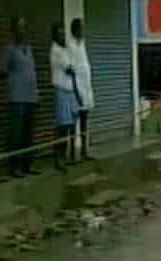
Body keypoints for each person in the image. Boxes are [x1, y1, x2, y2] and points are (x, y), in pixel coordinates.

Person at [0, 16, 39, 178]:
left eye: (24, 27)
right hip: (16, 98)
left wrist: (37, 92)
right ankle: (13, 167)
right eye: (19, 27)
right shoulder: (9, 49)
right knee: (16, 134)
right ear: (13, 30)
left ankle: (27, 165)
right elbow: (1, 71)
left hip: (30, 97)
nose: (22, 30)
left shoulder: (28, 48)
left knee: (28, 133)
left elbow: (33, 71)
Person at [50, 23, 79, 171]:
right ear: (54, 36)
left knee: (71, 125)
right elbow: (70, 69)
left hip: (70, 91)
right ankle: (58, 158)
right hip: (61, 91)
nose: (63, 36)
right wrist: (72, 64)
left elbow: (75, 65)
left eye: (63, 33)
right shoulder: (55, 51)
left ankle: (68, 155)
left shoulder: (65, 50)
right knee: (61, 126)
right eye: (59, 34)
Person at [69, 18, 95, 161]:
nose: (83, 31)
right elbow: (72, 70)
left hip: (86, 88)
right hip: (77, 89)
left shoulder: (82, 44)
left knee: (85, 121)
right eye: (81, 29)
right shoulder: (71, 46)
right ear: (75, 30)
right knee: (74, 123)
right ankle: (73, 153)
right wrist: (76, 91)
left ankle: (85, 151)